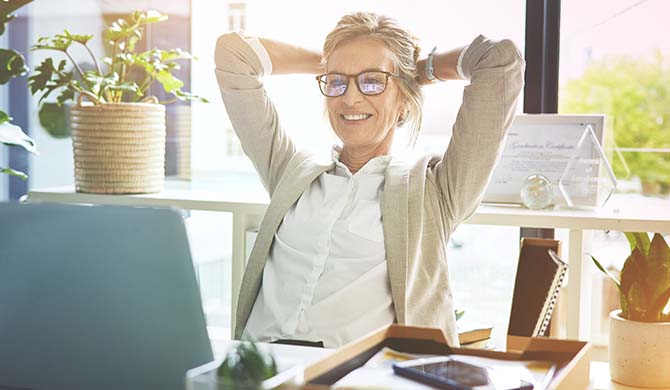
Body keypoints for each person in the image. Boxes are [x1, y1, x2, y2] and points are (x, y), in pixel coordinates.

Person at [214, 12, 524, 348]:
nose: (350, 98)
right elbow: (233, 54)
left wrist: (421, 71)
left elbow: (500, 59)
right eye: (337, 83)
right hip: (255, 368)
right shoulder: (292, 173)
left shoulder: (435, 191)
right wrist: (330, 64)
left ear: (404, 100)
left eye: (372, 82)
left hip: (357, 377)